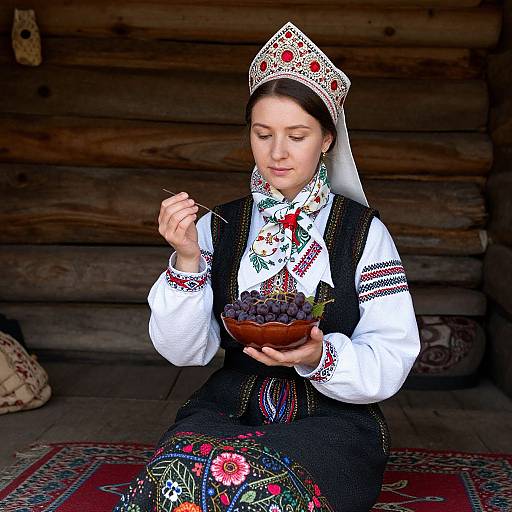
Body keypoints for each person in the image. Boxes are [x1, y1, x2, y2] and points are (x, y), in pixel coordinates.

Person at [113, 21, 421, 512]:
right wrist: (188, 259)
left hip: (333, 418)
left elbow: (393, 352)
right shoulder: (223, 224)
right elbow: (183, 352)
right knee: (182, 467)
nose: (277, 153)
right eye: (263, 134)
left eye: (297, 135)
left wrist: (318, 357)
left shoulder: (361, 232)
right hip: (229, 407)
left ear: (326, 139)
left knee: (266, 483)